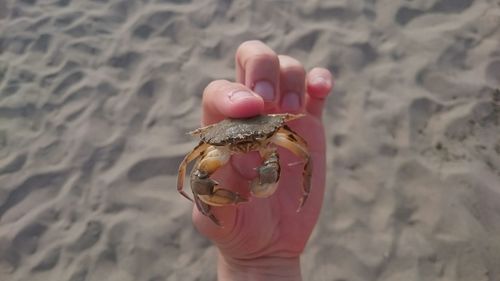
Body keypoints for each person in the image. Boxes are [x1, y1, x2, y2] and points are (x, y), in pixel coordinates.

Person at [193, 40, 333, 281]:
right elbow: (192, 169)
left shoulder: (281, 135)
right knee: (199, 177)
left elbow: (304, 155)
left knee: (303, 153)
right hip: (234, 144)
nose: (246, 144)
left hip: (261, 137)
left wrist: (263, 261)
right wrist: (251, 262)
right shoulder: (214, 147)